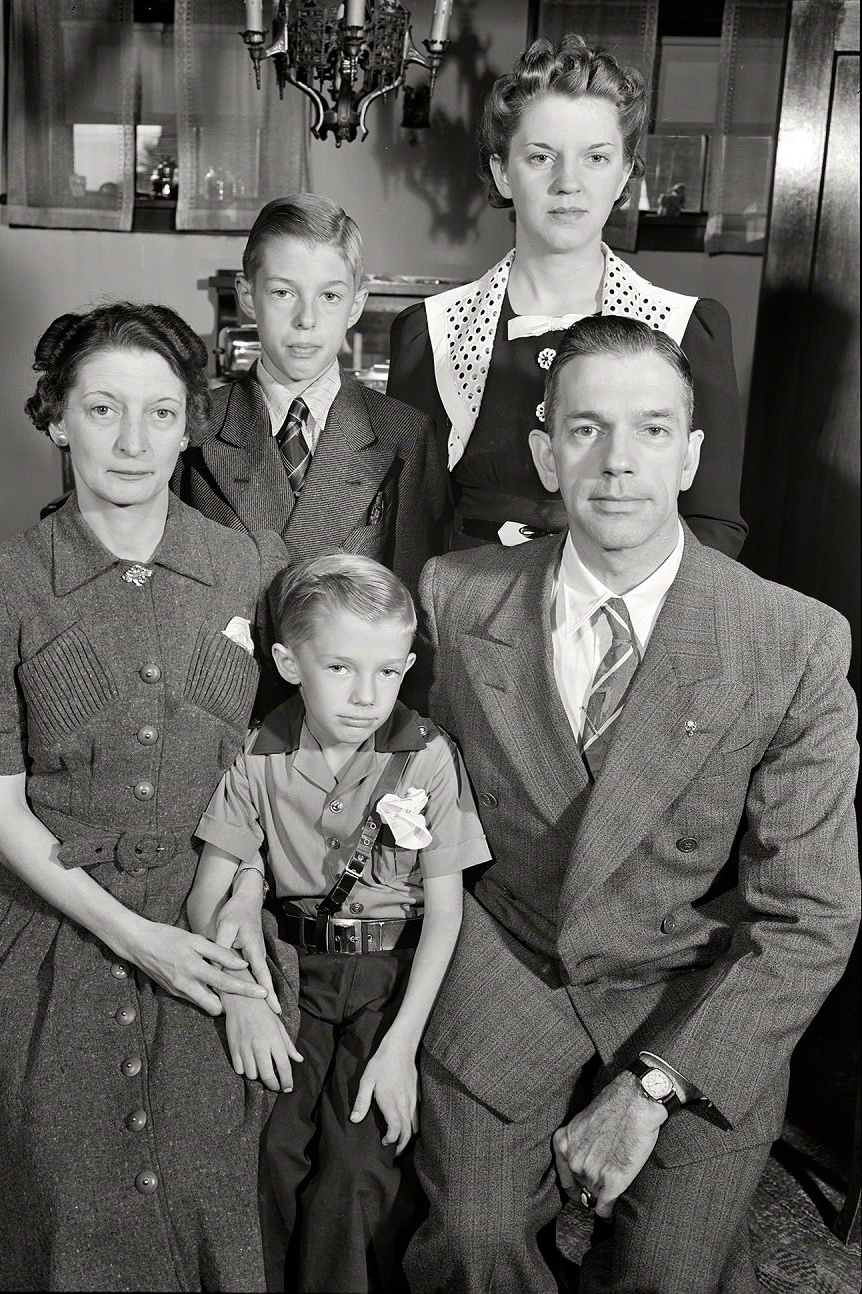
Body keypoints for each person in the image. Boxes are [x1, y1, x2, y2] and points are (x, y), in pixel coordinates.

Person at [405, 315, 860, 1293]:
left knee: (669, 1272)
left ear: (690, 454)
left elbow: (812, 911)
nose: (618, 462)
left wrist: (656, 1088)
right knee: (471, 1247)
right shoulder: (456, 595)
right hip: (509, 969)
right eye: (586, 429)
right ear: (543, 451)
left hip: (690, 991)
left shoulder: (790, 641)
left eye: (651, 429)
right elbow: (421, 808)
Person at [0, 303, 294, 1291]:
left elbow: (265, 756)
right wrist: (134, 938)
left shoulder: (250, 569)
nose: (132, 439)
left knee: (225, 1163)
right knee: (57, 1168)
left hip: (212, 900)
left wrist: (238, 895)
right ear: (56, 420)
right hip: (56, 911)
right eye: (103, 408)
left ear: (190, 422)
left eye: (161, 412)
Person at [187, 554, 491, 1293]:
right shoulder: (260, 755)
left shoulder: (425, 756)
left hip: (390, 982)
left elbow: (446, 914)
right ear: (290, 663)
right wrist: (247, 1000)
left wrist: (400, 1050)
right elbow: (207, 900)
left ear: (409, 666)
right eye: (341, 669)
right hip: (289, 975)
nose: (366, 696)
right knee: (270, 1153)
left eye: (388, 672)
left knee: (358, 1168)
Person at [387, 34, 747, 559]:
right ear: (501, 172)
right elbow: (410, 530)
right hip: (466, 618)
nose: (568, 183)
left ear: (625, 173)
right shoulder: (432, 333)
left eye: (596, 158)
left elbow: (713, 529)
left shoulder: (688, 329)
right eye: (540, 157)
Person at [173, 193, 449, 597]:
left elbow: (413, 605)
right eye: (283, 293)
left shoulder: (404, 434)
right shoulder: (197, 426)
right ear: (248, 297)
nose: (306, 319)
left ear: (356, 305)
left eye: (330, 296)